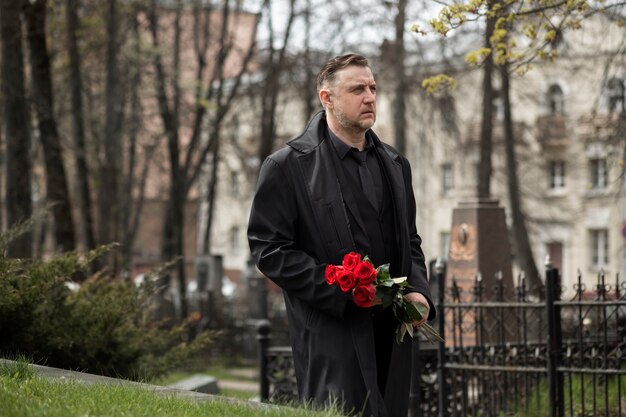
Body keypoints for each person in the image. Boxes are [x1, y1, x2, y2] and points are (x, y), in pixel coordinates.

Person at [247, 53, 435, 417]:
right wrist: (339, 286)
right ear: (327, 98)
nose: (369, 97)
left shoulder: (396, 165)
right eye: (357, 89)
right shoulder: (287, 166)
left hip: (391, 335)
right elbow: (269, 250)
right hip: (332, 334)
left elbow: (410, 241)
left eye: (373, 88)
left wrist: (419, 290)